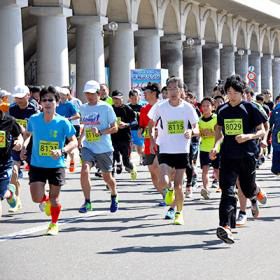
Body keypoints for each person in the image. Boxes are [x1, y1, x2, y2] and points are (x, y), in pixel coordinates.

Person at [210, 75, 267, 244]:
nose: (232, 95)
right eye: (229, 92)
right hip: (228, 156)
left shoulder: (250, 108)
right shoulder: (222, 110)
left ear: (242, 92)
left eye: (235, 92)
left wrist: (248, 136)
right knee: (227, 191)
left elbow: (262, 130)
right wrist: (216, 146)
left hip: (247, 155)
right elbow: (219, 130)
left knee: (247, 189)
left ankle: (256, 193)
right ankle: (225, 227)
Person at [20, 86, 77, 235]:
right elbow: (27, 134)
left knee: (54, 198)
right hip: (37, 164)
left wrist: (62, 150)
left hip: (56, 165)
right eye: (44, 100)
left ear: (57, 102)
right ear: (40, 103)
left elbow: (74, 141)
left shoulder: (63, 122)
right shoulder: (34, 119)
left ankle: (54, 223)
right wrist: (24, 147)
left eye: (50, 100)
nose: (47, 103)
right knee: (36, 197)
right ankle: (45, 200)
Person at [148, 77, 199, 225]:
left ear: (182, 91)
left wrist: (191, 131)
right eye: (169, 89)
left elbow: (197, 127)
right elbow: (151, 124)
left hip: (181, 150)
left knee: (178, 185)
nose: (172, 92)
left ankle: (179, 213)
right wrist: (152, 139)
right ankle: (168, 191)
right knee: (163, 181)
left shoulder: (188, 107)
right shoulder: (160, 106)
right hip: (165, 148)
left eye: (175, 89)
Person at [78, 80, 118, 213]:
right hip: (88, 146)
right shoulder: (83, 108)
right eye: (86, 93)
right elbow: (85, 125)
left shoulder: (106, 107)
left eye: (91, 93)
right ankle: (87, 202)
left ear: (98, 93)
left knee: (107, 177)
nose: (88, 96)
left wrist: (100, 132)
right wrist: (80, 138)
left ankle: (114, 195)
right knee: (84, 169)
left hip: (104, 148)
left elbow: (115, 128)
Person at [9, 85, 39, 213]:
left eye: (21, 97)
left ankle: (43, 197)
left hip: (33, 144)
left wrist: (25, 135)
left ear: (28, 95)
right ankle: (17, 199)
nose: (18, 100)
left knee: (36, 175)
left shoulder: (34, 109)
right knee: (14, 171)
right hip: (16, 143)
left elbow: (37, 128)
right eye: (16, 97)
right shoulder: (12, 109)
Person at [139, 84, 165, 206]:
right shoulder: (144, 109)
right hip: (149, 142)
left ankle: (168, 193)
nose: (144, 94)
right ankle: (164, 195)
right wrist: (140, 130)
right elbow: (143, 126)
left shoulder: (163, 106)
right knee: (153, 173)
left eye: (146, 92)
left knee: (158, 167)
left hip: (163, 143)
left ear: (154, 93)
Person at [0, 109, 23, 217]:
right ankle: (9, 193)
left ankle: (8, 193)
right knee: (3, 193)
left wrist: (19, 141)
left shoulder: (9, 120)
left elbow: (19, 136)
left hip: (4, 163)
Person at [196, 97, 220, 199]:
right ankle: (205, 189)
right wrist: (201, 133)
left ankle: (223, 187)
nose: (205, 108)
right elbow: (197, 132)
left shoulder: (216, 118)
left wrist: (212, 133)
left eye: (207, 106)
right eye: (203, 106)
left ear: (212, 107)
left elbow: (221, 133)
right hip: (204, 148)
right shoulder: (199, 120)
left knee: (217, 170)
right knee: (204, 169)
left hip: (216, 148)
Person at [111, 90, 138, 180]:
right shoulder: (110, 109)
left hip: (125, 138)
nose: (116, 101)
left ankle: (132, 168)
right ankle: (111, 180)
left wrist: (126, 124)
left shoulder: (127, 109)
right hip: (113, 137)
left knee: (126, 162)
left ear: (122, 99)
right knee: (112, 159)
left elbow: (135, 122)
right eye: (114, 99)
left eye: (118, 99)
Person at [56, 87, 80, 172]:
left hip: (68, 128)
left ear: (67, 95)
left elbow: (77, 115)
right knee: (60, 145)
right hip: (59, 128)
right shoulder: (57, 105)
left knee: (69, 147)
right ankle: (63, 160)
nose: (61, 96)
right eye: (60, 94)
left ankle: (72, 160)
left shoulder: (70, 104)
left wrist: (68, 118)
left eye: (63, 95)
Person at [128, 89, 144, 163]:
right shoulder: (127, 107)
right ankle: (129, 161)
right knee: (129, 147)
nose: (135, 100)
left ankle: (143, 156)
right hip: (129, 130)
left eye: (136, 98)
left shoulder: (141, 107)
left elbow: (144, 118)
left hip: (138, 130)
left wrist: (137, 114)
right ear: (130, 98)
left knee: (139, 150)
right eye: (133, 98)